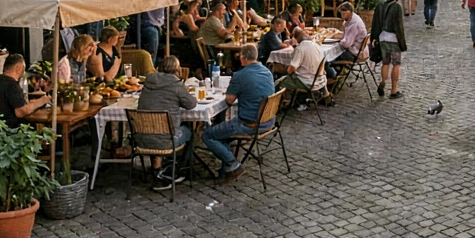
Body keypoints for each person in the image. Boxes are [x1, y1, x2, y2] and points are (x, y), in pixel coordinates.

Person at [202, 44, 275, 182]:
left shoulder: (240, 75)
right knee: (222, 134)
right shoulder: (267, 72)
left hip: (248, 123)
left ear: (243, 58)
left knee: (207, 135)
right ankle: (226, 171)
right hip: (268, 120)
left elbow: (229, 100)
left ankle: (232, 164)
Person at [135, 55, 198, 189]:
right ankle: (182, 168)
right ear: (177, 69)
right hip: (167, 141)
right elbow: (191, 104)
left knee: (156, 129)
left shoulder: (148, 82)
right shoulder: (176, 85)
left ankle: (157, 169)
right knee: (188, 131)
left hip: (141, 138)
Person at [0, 54, 51, 128]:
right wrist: (42, 100)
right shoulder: (11, 85)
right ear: (18, 68)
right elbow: (21, 112)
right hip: (9, 131)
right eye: (23, 68)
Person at [372, 0, 408, 98]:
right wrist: (402, 42)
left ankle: (382, 82)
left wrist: (374, 37)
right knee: (396, 64)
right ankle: (393, 90)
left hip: (383, 37)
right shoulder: (397, 6)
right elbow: (399, 26)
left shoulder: (380, 4)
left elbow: (375, 23)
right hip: (393, 38)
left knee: (385, 62)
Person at [280, 27, 331, 105]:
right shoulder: (317, 46)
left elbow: (291, 69)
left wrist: (286, 70)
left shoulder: (300, 48)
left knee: (281, 82)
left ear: (297, 39)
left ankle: (286, 104)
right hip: (320, 80)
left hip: (308, 82)